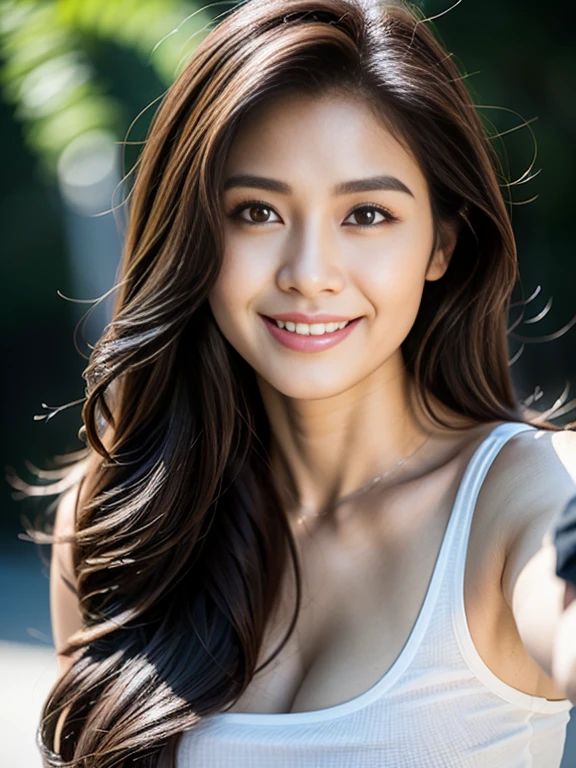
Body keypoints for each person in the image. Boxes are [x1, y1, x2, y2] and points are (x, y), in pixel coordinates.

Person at [20, 0, 576, 766]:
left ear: (442, 243)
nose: (309, 274)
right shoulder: (118, 519)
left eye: (367, 215)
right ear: (195, 238)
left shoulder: (525, 496)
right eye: (256, 211)